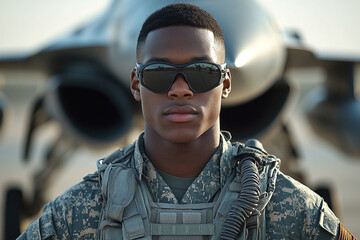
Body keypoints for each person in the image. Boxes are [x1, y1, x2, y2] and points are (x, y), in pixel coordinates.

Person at [18, 3, 356, 240]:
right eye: (160, 73)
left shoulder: (290, 204)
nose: (181, 89)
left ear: (226, 82)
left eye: (202, 73)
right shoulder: (79, 209)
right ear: (136, 83)